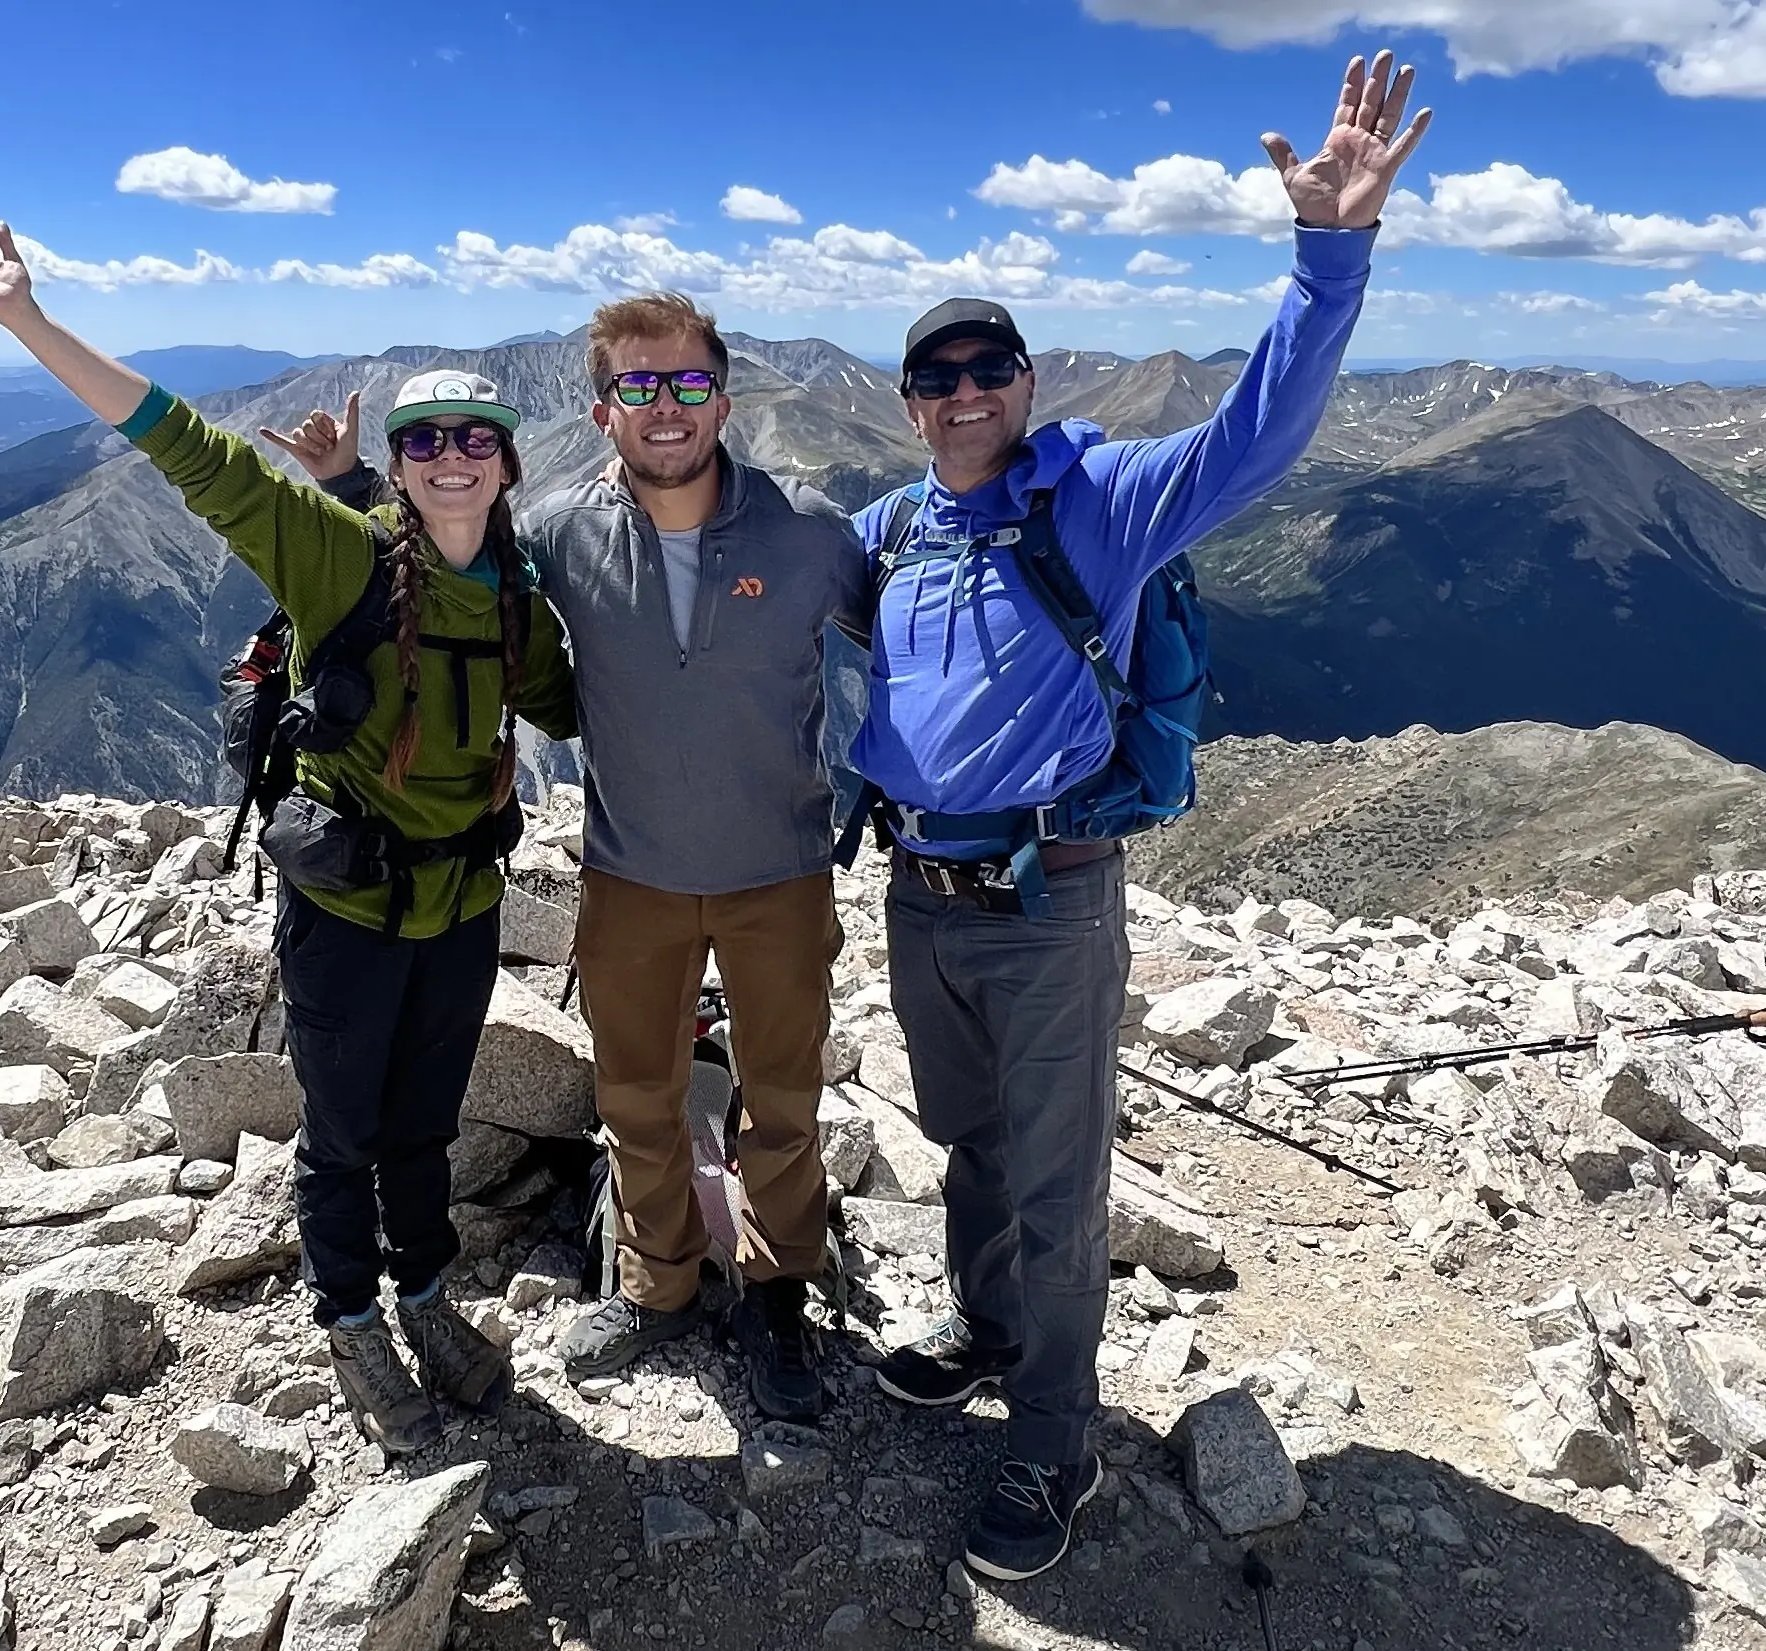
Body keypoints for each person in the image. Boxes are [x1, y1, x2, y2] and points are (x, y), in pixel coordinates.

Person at [849, 52, 1434, 1580]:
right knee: (966, 1140)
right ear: (909, 402)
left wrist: (1329, 255)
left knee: (1053, 1182)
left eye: (991, 370)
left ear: (1026, 387)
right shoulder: (894, 527)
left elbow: (1258, 433)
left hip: (1051, 896)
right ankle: (983, 1335)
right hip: (919, 894)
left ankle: (1054, 1449)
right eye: (938, 375)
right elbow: (755, 580)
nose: (966, 392)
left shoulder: (1097, 501)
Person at [0, 202, 578, 1456]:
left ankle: (424, 1295)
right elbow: (194, 450)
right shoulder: (337, 554)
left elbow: (586, 703)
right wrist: (26, 318)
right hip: (345, 910)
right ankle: (349, 1317)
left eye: (472, 439)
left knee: (425, 1119)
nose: (449, 457)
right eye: (425, 437)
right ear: (408, 455)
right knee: (341, 1133)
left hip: (462, 906)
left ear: (506, 460)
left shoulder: (522, 598)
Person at [532, 295, 871, 1421]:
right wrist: (342, 492)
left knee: (781, 1095)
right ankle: (659, 1285)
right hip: (630, 870)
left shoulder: (811, 530)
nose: (665, 407)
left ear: (724, 399)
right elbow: (441, 568)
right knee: (636, 1093)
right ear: (602, 412)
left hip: (779, 864)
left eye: (685, 385)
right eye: (639, 386)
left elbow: (910, 642)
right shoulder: (561, 535)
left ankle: (778, 1296)